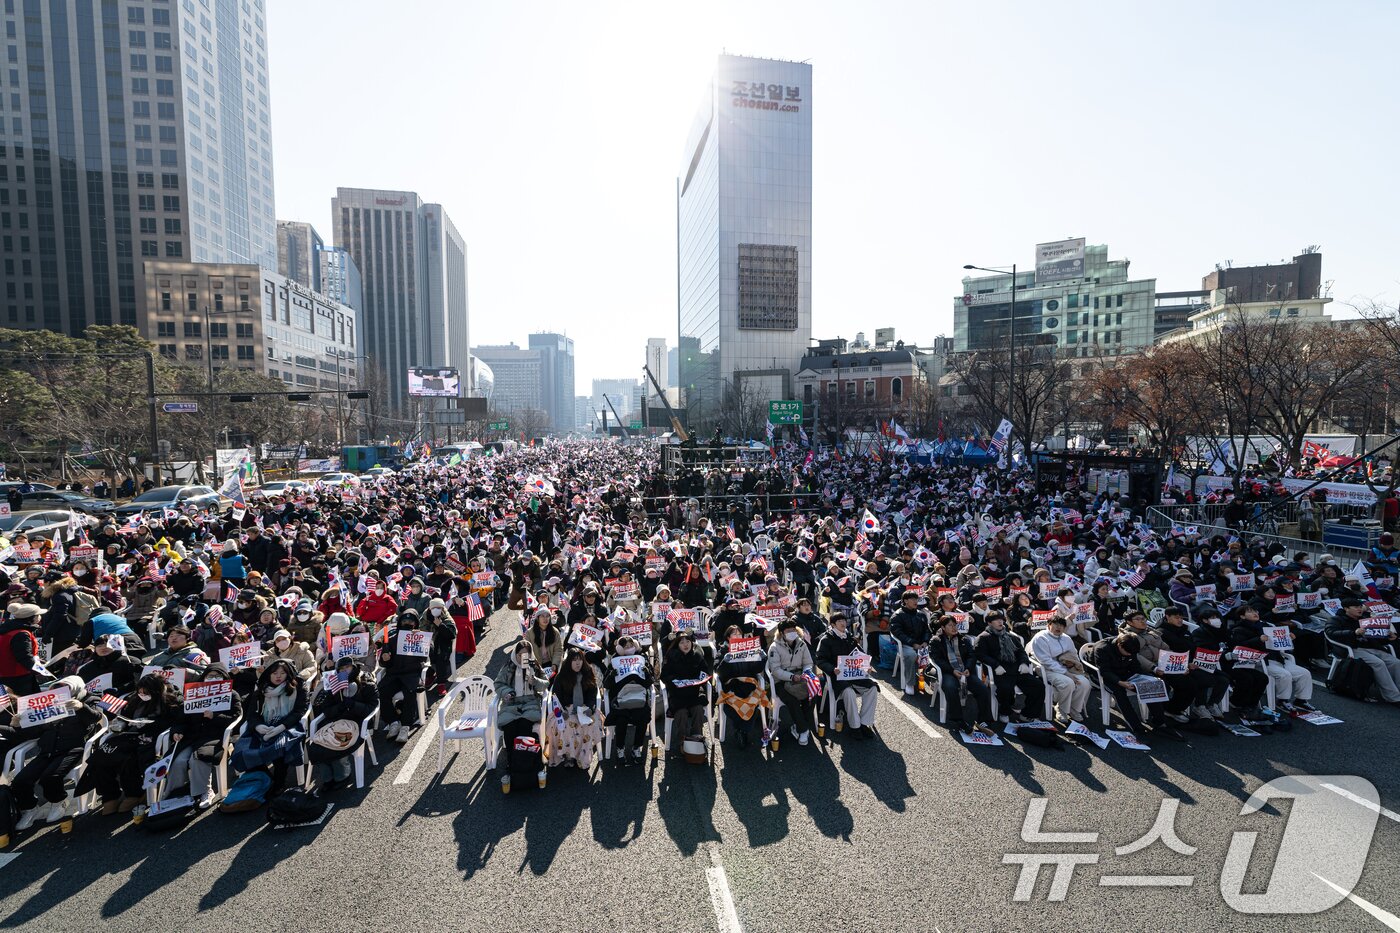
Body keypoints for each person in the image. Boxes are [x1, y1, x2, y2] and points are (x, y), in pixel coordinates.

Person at [78, 672, 183, 815]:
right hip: (130, 735)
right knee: (100, 757)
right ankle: (110, 796)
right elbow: (125, 716)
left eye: (146, 693)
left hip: (151, 738)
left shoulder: (170, 700)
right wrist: (120, 723)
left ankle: (135, 793)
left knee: (127, 758)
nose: (142, 695)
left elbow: (173, 721)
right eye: (140, 692)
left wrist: (149, 723)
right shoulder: (134, 699)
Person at [11, 675, 105, 830]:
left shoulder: (91, 699)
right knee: (20, 781)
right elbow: (36, 731)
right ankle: (31, 809)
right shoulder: (48, 705)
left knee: (50, 777)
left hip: (72, 748)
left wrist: (81, 707)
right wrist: (18, 725)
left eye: (65, 688)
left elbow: (96, 718)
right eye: (57, 689)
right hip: (47, 750)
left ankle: (59, 801)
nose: (60, 692)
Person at [166, 663, 243, 809]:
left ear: (224, 677)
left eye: (217, 676)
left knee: (198, 759)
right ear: (204, 677)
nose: (213, 678)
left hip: (214, 736)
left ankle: (204, 791)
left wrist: (215, 716)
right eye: (210, 676)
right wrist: (176, 732)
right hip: (191, 737)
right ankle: (175, 794)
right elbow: (181, 720)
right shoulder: (194, 693)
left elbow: (235, 718)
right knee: (178, 761)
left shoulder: (232, 694)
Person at [237, 658, 309, 790]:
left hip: (288, 725)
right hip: (264, 725)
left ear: (288, 674)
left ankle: (279, 782)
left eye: (282, 673)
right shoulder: (262, 688)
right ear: (269, 674)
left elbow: (300, 710)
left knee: (279, 747)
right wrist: (258, 726)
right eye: (275, 673)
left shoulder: (297, 686)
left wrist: (281, 727)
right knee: (244, 750)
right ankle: (264, 779)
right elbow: (252, 713)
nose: (278, 676)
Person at [308, 657, 379, 792]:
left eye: (347, 667)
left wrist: (353, 705)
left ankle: (342, 776)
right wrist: (339, 707)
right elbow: (326, 710)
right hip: (336, 723)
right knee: (317, 746)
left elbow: (371, 709)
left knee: (337, 744)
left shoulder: (366, 684)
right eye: (341, 669)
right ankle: (328, 778)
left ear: (354, 667)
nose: (345, 671)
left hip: (357, 724)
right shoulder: (335, 685)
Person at [813, 609, 878, 738]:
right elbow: (820, 660)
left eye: (844, 620)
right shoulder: (826, 640)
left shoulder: (849, 638)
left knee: (872, 688)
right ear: (833, 625)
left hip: (854, 675)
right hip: (837, 677)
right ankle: (855, 726)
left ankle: (864, 723)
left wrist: (867, 665)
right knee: (849, 692)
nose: (843, 623)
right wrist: (833, 669)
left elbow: (860, 655)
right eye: (839, 621)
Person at [927, 615, 995, 736]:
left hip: (964, 671)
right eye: (950, 625)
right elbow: (937, 659)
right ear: (943, 627)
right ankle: (958, 720)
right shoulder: (936, 640)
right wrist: (952, 670)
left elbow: (971, 655)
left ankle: (984, 720)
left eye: (955, 625)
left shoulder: (964, 639)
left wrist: (968, 668)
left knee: (982, 689)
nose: (954, 628)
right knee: (950, 687)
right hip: (948, 672)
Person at [974, 612, 1045, 723]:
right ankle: (1005, 711)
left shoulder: (1011, 636)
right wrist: (995, 665)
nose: (1000, 622)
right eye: (996, 620)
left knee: (1038, 686)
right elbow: (980, 654)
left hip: (1017, 670)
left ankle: (1028, 714)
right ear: (989, 623)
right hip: (1000, 671)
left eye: (1001, 619)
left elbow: (1021, 652)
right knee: (1006, 689)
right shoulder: (983, 637)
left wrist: (1024, 663)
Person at [493, 640, 549, 783]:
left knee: (525, 726)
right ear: (515, 654)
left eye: (526, 655)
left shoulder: (534, 666)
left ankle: (527, 761)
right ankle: (512, 761)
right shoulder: (509, 666)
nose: (523, 658)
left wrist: (534, 681)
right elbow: (498, 683)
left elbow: (546, 683)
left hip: (530, 703)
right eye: (520, 655)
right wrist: (506, 692)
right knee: (509, 727)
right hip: (511, 704)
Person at [1327, 600, 1400, 705]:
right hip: (1352, 648)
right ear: (1346, 608)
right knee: (1378, 664)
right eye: (1356, 607)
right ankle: (1393, 697)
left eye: (1360, 607)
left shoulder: (1366, 619)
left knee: (1396, 662)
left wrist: (1388, 636)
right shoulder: (1336, 619)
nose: (1359, 609)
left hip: (1371, 647)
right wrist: (1353, 633)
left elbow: (1376, 636)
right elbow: (1331, 633)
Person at [545, 647, 603, 768]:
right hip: (566, 709)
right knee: (567, 725)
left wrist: (590, 708)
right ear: (569, 662)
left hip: (584, 708)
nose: (578, 663)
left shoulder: (588, 672)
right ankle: (569, 755)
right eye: (574, 660)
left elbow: (593, 694)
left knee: (589, 724)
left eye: (580, 660)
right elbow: (556, 696)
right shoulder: (561, 676)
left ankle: (583, 755)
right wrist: (561, 711)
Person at [376, 610, 428, 742]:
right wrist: (385, 659)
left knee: (410, 693)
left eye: (411, 621)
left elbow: (427, 655)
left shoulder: (420, 637)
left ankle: (405, 726)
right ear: (400, 622)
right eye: (404, 621)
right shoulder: (392, 639)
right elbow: (383, 663)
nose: (407, 623)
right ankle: (393, 722)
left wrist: (421, 639)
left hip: (411, 675)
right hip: (394, 675)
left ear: (416, 623)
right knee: (382, 691)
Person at [715, 625, 769, 748]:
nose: (737, 636)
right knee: (730, 706)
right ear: (728, 637)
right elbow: (718, 672)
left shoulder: (748, 648)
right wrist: (725, 661)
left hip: (749, 684)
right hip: (731, 685)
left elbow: (756, 669)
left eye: (739, 634)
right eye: (734, 634)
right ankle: (742, 730)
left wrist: (761, 659)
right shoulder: (723, 651)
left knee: (754, 702)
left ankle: (742, 730)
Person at [1029, 617, 1091, 725]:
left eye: (1062, 625)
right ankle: (1061, 710)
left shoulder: (1066, 638)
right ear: (1049, 625)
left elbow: (1074, 653)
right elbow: (1045, 661)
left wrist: (1072, 663)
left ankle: (1074, 709)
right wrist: (1066, 673)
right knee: (1068, 683)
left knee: (1085, 683)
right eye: (1056, 624)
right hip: (1046, 669)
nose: (1059, 627)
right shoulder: (1040, 638)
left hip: (1066, 668)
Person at [603, 634, 654, 762]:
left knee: (643, 718)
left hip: (639, 699)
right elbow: (606, 685)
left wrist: (647, 672)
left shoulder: (642, 659)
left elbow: (650, 682)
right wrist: (612, 675)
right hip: (620, 701)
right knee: (621, 720)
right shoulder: (615, 661)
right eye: (626, 646)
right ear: (620, 649)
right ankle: (620, 748)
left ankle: (637, 747)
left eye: (631, 645)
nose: (629, 648)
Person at [660, 631, 713, 756]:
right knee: (681, 713)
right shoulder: (671, 657)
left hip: (694, 693)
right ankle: (682, 740)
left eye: (688, 641)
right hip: (678, 694)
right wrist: (675, 681)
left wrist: (700, 679)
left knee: (698, 709)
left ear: (691, 643)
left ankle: (696, 737)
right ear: (677, 645)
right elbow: (664, 676)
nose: (685, 645)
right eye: (682, 642)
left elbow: (705, 672)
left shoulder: (697, 656)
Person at [768, 618, 818, 746]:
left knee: (813, 693)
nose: (792, 632)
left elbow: (808, 662)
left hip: (800, 677)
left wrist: (806, 672)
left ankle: (800, 726)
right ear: (782, 633)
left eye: (793, 629)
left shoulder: (802, 644)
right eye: (788, 630)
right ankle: (804, 729)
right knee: (792, 700)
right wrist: (791, 677)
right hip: (781, 680)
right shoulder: (774, 647)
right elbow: (775, 670)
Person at [888, 589, 931, 695]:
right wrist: (913, 643)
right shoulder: (897, 615)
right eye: (912, 599)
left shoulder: (921, 614)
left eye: (916, 599)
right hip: (905, 645)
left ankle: (932, 681)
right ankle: (910, 683)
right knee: (911, 655)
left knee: (935, 654)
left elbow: (927, 630)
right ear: (905, 601)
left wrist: (925, 641)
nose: (916, 601)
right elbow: (898, 633)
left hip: (922, 644)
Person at [0, 602, 44, 696]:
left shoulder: (9, 628)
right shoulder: (21, 634)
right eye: (38, 615)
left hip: (6, 673)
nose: (40, 617)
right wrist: (40, 670)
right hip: (18, 676)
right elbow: (24, 657)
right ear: (31, 617)